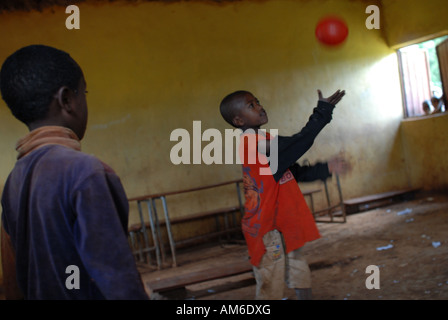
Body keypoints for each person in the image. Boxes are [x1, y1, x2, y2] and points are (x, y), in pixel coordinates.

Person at [0, 45, 148, 300]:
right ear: (67, 100)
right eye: (85, 92)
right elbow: (117, 279)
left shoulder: (15, 179)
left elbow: (16, 277)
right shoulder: (85, 171)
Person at [219, 89, 349, 300]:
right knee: (271, 281)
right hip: (266, 228)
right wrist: (323, 112)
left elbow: (292, 172)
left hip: (284, 222)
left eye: (258, 101)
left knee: (299, 269)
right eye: (251, 105)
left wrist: (326, 168)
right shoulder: (253, 144)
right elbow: (298, 143)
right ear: (238, 119)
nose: (260, 106)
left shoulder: (264, 139)